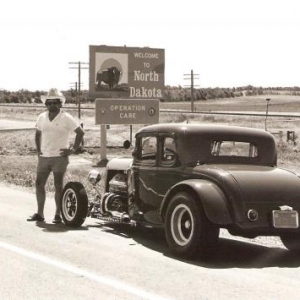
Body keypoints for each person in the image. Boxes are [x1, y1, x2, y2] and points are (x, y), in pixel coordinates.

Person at [27, 88, 84, 224]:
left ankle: (58, 214)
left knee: (58, 186)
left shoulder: (66, 117)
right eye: (49, 103)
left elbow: (80, 132)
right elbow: (38, 133)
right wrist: (38, 150)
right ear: (46, 104)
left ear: (60, 104)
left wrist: (72, 149)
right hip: (44, 157)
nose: (52, 105)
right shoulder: (42, 117)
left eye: (55, 103)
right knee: (39, 184)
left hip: (59, 157)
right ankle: (40, 214)